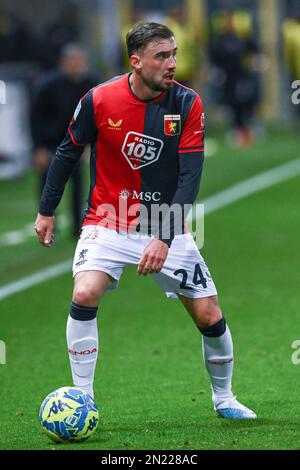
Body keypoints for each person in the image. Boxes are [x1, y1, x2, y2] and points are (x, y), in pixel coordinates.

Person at [34, 22, 256, 419]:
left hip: (163, 221)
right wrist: (46, 210)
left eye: (173, 54)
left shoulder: (188, 103)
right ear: (135, 62)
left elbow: (190, 177)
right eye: (162, 56)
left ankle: (224, 398)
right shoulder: (99, 100)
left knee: (208, 314)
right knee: (85, 293)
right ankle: (83, 399)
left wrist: (165, 238)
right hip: (107, 220)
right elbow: (68, 152)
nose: (172, 63)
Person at [31, 43, 98, 237]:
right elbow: (35, 117)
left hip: (76, 144)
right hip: (51, 143)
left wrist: (90, 146)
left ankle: (78, 227)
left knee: (78, 185)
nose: (78, 66)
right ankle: (47, 224)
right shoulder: (47, 85)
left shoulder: (91, 83)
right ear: (64, 63)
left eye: (81, 62)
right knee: (48, 186)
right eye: (74, 62)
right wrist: (39, 148)